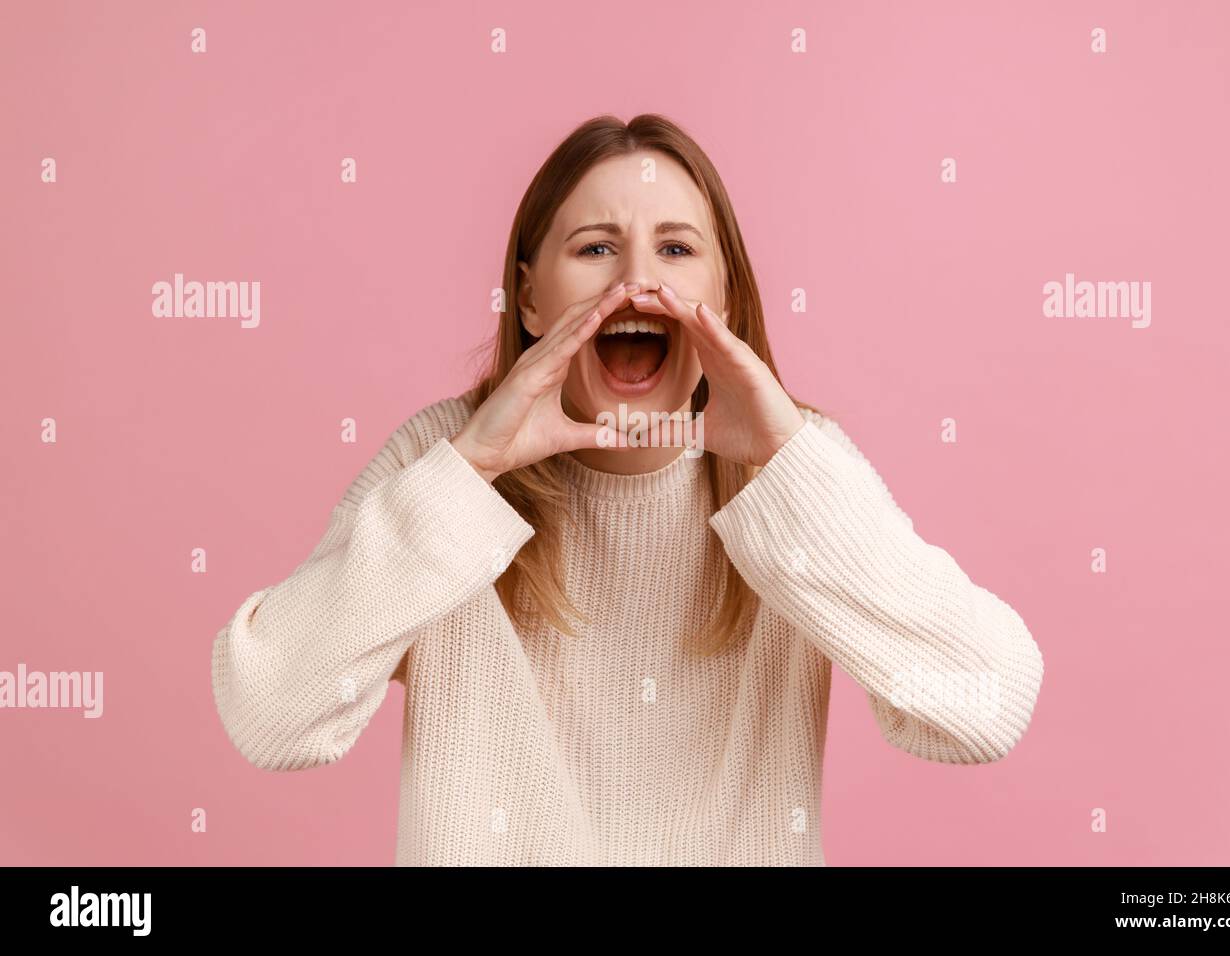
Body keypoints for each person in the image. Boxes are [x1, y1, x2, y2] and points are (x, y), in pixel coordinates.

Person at [210, 113, 1045, 866]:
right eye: (596, 248)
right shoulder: (443, 462)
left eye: (677, 250)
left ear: (723, 297)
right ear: (530, 296)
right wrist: (466, 477)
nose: (637, 283)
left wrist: (789, 464)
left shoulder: (802, 471)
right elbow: (271, 717)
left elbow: (988, 708)